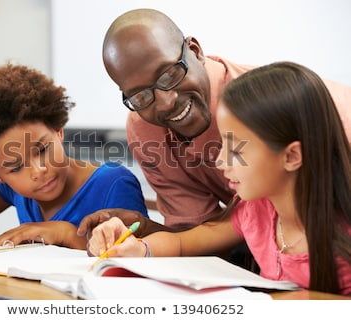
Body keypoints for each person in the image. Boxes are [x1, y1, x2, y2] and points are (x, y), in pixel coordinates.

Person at [77, 8, 351, 239]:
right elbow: (201, 234)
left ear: (195, 51)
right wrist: (145, 229)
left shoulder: (295, 108)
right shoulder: (145, 127)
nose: (166, 102)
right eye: (140, 95)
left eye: (170, 74)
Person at [87, 61, 351, 295]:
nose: (220, 161)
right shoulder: (256, 210)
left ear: (292, 156)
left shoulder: (343, 236)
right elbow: (183, 242)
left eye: (235, 149)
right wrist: (140, 249)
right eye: (222, 145)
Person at [0, 63, 148, 250]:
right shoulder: (9, 188)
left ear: (58, 131)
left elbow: (137, 253)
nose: (38, 171)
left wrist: (64, 233)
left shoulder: (113, 183)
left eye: (43, 150)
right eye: (15, 167)